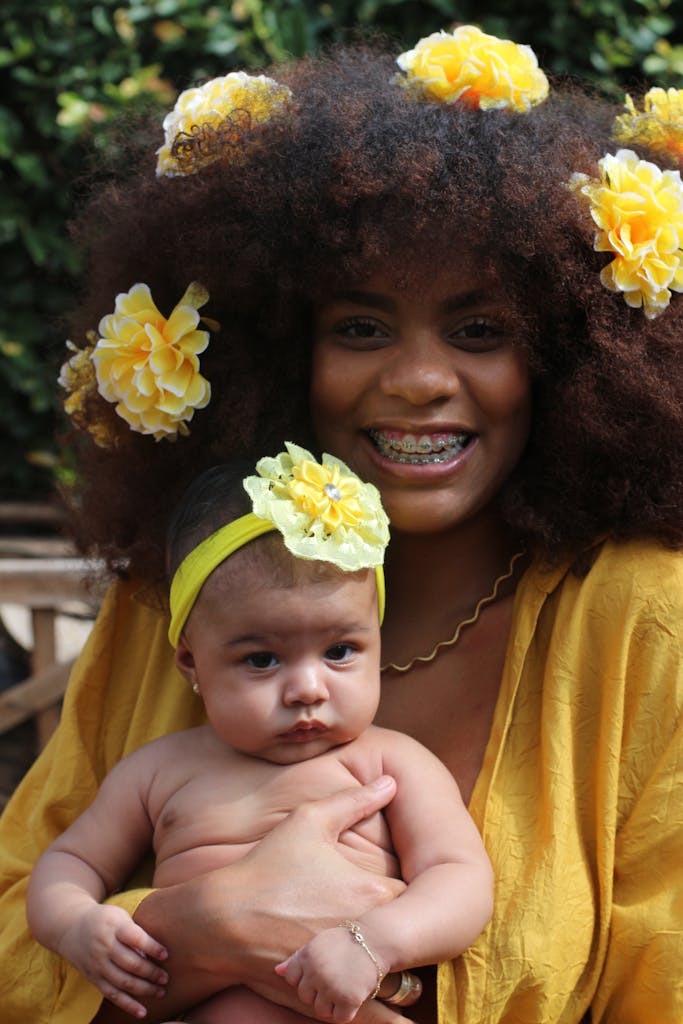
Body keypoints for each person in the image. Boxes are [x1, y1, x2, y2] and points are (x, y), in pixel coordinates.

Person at [1, 21, 682, 1024]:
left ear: (565, 359)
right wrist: (201, 925)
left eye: (478, 329)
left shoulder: (642, 617)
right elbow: (18, 918)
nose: (416, 380)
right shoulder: (176, 601)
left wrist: (371, 956)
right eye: (358, 328)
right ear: (276, 355)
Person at [25, 446, 493, 1023]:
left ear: (377, 641)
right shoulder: (158, 771)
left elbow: (460, 879)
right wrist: (74, 923)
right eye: (262, 660)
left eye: (340, 651)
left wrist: (376, 943)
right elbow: (68, 862)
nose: (306, 688)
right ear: (192, 665)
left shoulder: (390, 764)